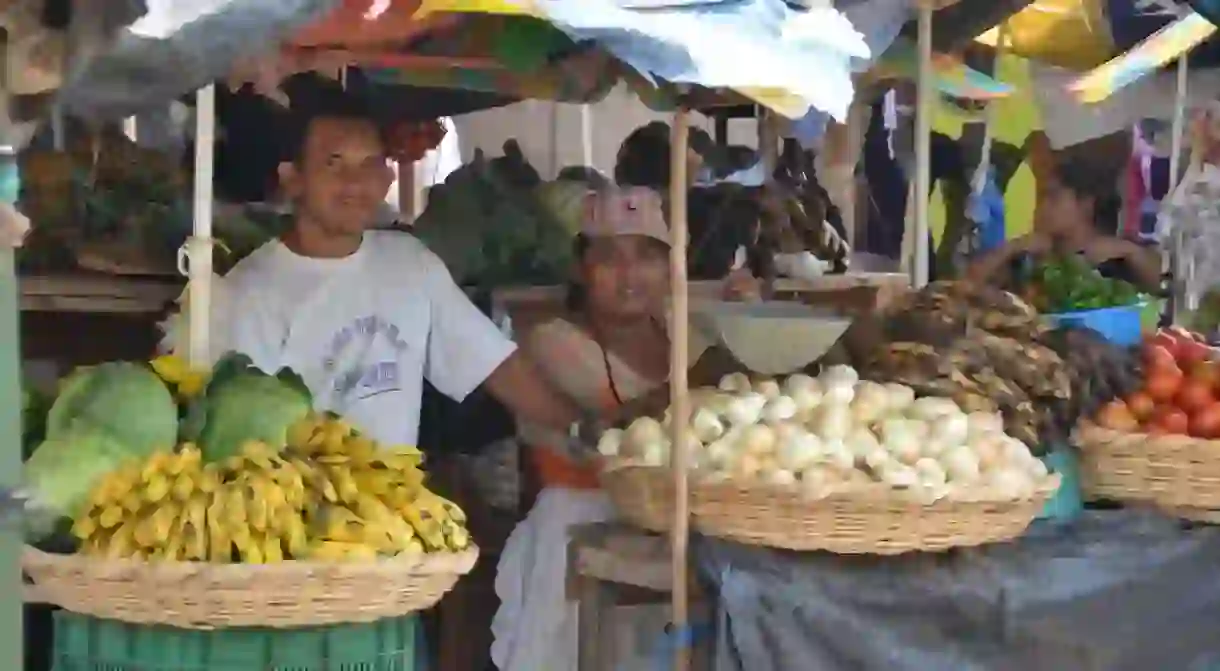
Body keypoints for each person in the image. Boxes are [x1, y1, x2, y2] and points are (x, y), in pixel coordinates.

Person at [219, 95, 593, 453]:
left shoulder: (410, 263)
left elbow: (494, 366)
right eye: (334, 163)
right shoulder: (250, 292)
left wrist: (586, 430)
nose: (355, 182)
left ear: (387, 176)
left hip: (392, 507)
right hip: (294, 508)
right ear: (293, 178)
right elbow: (237, 432)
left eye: (370, 163)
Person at [490, 186, 757, 671]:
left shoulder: (683, 332)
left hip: (680, 525)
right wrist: (724, 357)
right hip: (582, 527)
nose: (630, 275)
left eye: (649, 256)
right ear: (580, 268)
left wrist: (744, 320)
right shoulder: (552, 339)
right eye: (610, 257)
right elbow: (630, 423)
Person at [964, 158, 1162, 292]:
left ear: (1085, 204)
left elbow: (1162, 287)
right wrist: (1010, 248)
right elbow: (968, 284)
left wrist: (1131, 251)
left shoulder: (1117, 257)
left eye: (1054, 198)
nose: (1043, 208)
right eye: (1042, 198)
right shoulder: (1029, 256)